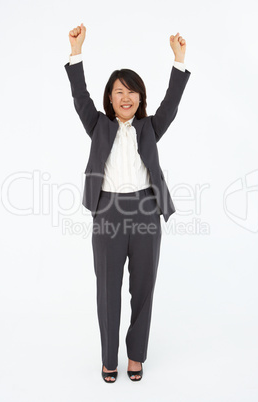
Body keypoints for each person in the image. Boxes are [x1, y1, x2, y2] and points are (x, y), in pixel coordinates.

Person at [65, 23, 191, 383]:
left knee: (143, 287)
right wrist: (77, 53)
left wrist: (178, 61)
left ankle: (136, 355)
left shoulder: (150, 128)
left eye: (132, 91)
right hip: (107, 212)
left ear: (139, 98)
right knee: (107, 288)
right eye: (119, 91)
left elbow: (172, 103)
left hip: (146, 211)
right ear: (110, 98)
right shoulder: (98, 126)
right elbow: (80, 98)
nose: (126, 97)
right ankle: (109, 358)